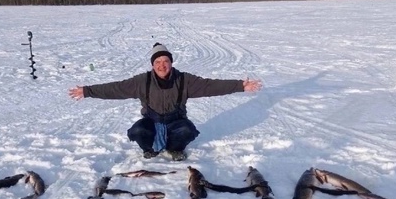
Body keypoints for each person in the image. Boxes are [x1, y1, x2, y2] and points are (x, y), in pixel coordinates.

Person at [68, 43, 262, 161]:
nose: (162, 65)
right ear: (153, 65)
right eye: (157, 62)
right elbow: (116, 88)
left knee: (187, 130)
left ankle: (175, 149)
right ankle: (150, 149)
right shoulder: (141, 81)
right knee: (137, 131)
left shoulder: (184, 80)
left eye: (165, 61)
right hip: (152, 121)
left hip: (175, 121)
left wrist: (240, 86)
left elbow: (210, 86)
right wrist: (87, 91)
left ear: (171, 63)